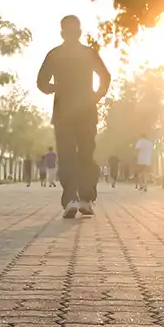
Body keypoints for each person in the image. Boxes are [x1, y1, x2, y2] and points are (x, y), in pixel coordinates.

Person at [37, 15, 111, 218]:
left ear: (62, 33)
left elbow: (41, 82)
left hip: (63, 112)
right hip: (86, 111)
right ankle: (86, 199)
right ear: (79, 32)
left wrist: (56, 88)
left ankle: (71, 199)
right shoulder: (89, 53)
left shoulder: (55, 54)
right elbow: (105, 76)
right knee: (86, 154)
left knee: (67, 155)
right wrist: (96, 95)